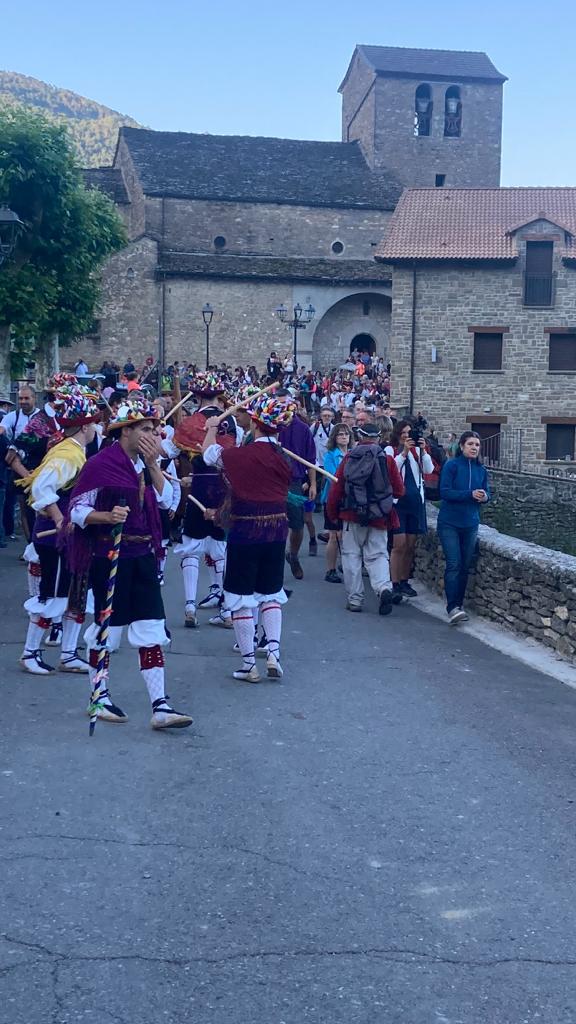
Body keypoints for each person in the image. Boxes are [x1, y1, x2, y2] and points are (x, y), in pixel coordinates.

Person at [66, 397, 193, 730]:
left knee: (150, 628)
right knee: (107, 631)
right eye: (146, 429)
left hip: (143, 557)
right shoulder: (100, 464)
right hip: (109, 557)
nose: (154, 435)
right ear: (125, 432)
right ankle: (99, 697)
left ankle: (160, 705)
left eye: (154, 429)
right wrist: (105, 516)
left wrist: (153, 465)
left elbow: (168, 503)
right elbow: (77, 511)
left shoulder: (147, 465)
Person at [202, 392, 297, 681]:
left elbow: (208, 455)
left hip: (245, 531)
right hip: (277, 531)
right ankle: (273, 654)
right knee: (271, 594)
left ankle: (248, 664)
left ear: (255, 424)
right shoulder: (284, 460)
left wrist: (212, 427)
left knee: (241, 598)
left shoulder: (238, 455)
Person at [18, 385, 100, 674]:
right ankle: (30, 653)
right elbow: (40, 488)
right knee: (52, 596)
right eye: (92, 422)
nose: (95, 427)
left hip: (69, 537)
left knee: (71, 594)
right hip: (55, 538)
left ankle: (68, 653)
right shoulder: (68, 455)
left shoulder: (73, 451)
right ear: (84, 426)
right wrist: (57, 518)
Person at [169, 372, 237, 628]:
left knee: (191, 546)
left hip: (198, 485)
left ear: (196, 396)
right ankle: (226, 608)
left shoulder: (188, 423)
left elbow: (169, 451)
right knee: (219, 548)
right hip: (222, 487)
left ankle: (189, 605)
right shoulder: (231, 422)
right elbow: (231, 455)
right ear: (219, 395)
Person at [327, 422, 404, 614]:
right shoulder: (387, 460)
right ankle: (383, 588)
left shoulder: (349, 458)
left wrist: (333, 518)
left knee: (351, 556)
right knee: (377, 556)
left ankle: (355, 600)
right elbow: (399, 490)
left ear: (359, 437)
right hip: (379, 518)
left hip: (351, 516)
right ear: (378, 438)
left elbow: (336, 491)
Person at [437, 431, 490, 626]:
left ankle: (459, 605)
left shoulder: (481, 470)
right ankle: (452, 607)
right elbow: (445, 492)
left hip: (471, 523)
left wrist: (484, 496)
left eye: (477, 444)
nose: (474, 447)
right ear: (462, 446)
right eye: (470, 444)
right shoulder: (452, 466)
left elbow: (488, 493)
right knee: (453, 564)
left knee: (465, 566)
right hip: (449, 522)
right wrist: (470, 494)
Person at [385, 419, 434, 602]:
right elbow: (392, 470)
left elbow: (428, 469)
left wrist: (423, 450)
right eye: (404, 432)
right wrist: (404, 452)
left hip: (415, 502)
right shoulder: (391, 450)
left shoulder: (417, 451)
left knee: (411, 545)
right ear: (398, 434)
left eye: (409, 432)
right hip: (398, 503)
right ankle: (394, 582)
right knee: (399, 545)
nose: (407, 436)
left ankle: (405, 580)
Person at [277, 392, 317, 577]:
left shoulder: (303, 430)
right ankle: (274, 564)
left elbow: (310, 460)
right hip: (273, 481)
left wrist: (313, 484)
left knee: (298, 524)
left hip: (294, 481)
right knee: (274, 523)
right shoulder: (270, 426)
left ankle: (293, 555)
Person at [322, 423, 352, 583]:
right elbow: (332, 477)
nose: (344, 437)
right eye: (340, 434)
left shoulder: (353, 454)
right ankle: (330, 569)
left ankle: (345, 565)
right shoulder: (330, 455)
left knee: (347, 536)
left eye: (346, 434)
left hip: (349, 499)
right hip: (333, 499)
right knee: (334, 535)